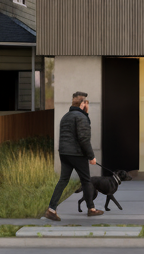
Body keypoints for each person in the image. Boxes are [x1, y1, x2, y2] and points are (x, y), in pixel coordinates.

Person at [44, 91, 103, 219]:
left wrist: (85, 114)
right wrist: (91, 156)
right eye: (86, 102)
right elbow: (84, 139)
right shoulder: (80, 117)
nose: (87, 104)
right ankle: (91, 209)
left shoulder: (66, 116)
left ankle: (51, 209)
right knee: (86, 180)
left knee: (63, 180)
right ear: (83, 103)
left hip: (64, 153)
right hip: (76, 154)